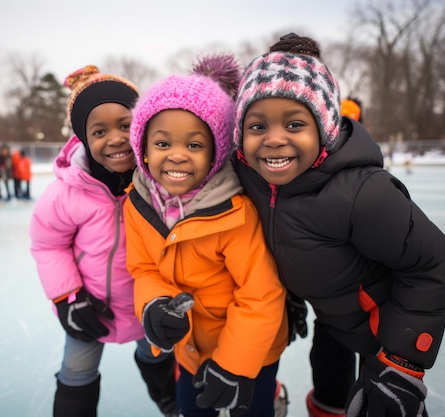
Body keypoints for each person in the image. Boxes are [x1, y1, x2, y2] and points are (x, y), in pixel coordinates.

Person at [231, 33, 445, 417]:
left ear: (325, 129)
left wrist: (402, 366)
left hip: (385, 330)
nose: (273, 140)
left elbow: (431, 261)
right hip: (330, 314)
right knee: (331, 396)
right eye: (257, 126)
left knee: (380, 406)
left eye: (295, 124)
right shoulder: (250, 175)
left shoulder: (362, 194)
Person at [124, 52, 289, 417]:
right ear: (144, 151)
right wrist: (153, 304)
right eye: (163, 144)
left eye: (194, 145)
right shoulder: (136, 205)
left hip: (251, 354)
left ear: (216, 153)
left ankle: (271, 399)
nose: (178, 156)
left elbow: (260, 294)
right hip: (190, 350)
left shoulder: (236, 212)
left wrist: (234, 364)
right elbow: (144, 269)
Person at [29, 65, 178, 417]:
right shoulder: (65, 193)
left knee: (157, 358)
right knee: (76, 374)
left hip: (149, 303)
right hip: (91, 308)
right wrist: (68, 298)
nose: (114, 138)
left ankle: (171, 402)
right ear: (82, 138)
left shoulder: (160, 181)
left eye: (125, 125)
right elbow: (47, 245)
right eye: (99, 131)